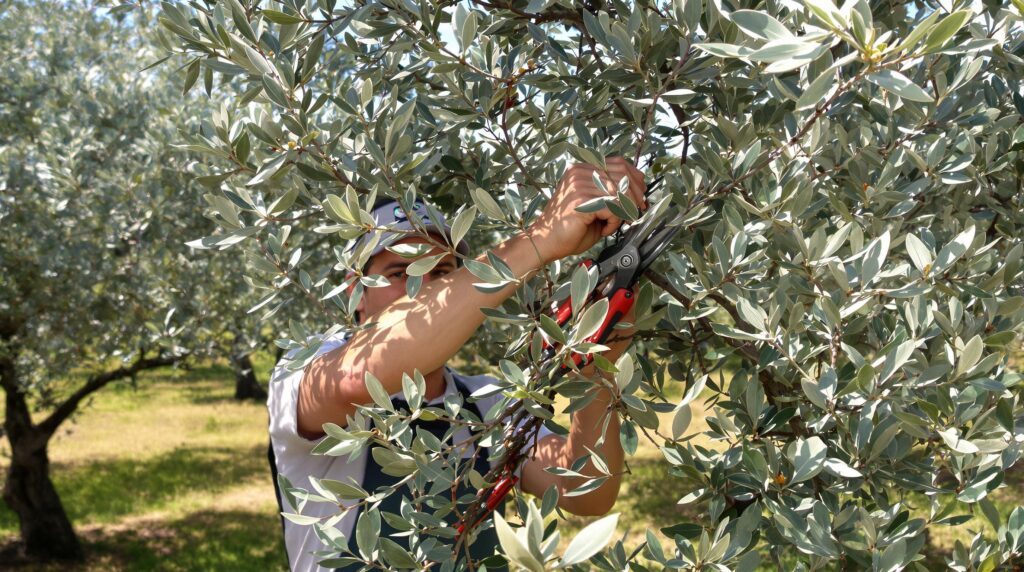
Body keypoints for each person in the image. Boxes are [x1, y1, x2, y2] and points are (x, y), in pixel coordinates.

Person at [268, 157, 648, 571]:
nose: (426, 291)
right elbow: (357, 378)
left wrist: (594, 370)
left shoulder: (484, 403)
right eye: (403, 272)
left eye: (443, 271)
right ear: (356, 291)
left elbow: (584, 492)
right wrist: (541, 238)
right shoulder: (303, 371)